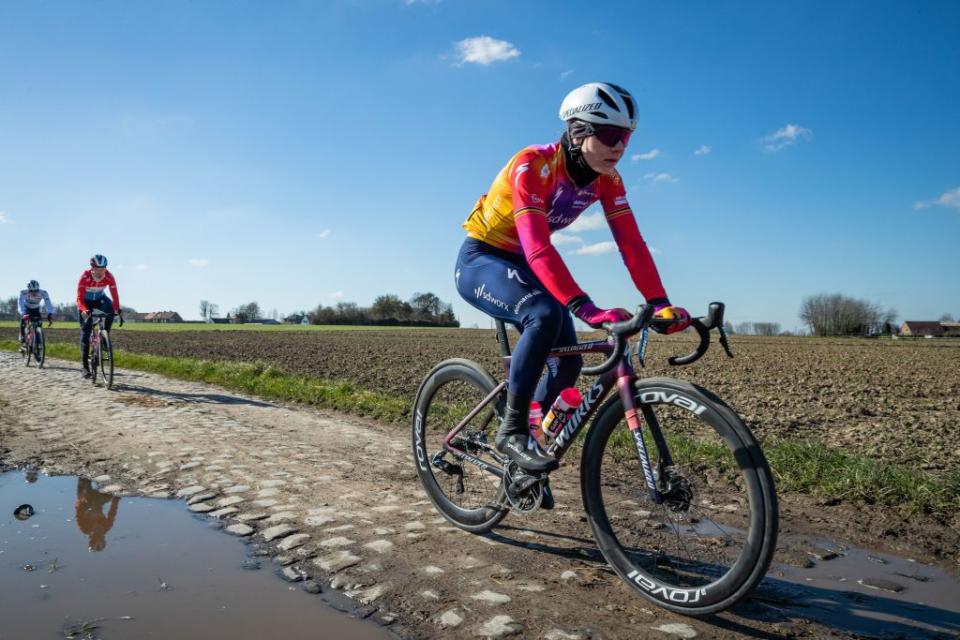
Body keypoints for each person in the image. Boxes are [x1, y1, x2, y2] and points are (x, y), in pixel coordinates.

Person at [455, 82, 691, 474]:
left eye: (626, 137)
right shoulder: (532, 165)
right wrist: (585, 308)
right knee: (544, 315)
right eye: (611, 135)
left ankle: (529, 444)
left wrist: (659, 303)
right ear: (578, 131)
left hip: (527, 264)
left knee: (567, 367)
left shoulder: (608, 180)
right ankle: (511, 431)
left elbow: (631, 244)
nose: (620, 147)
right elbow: (538, 247)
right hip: (485, 257)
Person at [77, 254, 123, 378]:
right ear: (92, 268)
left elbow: (115, 296)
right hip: (85, 303)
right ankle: (85, 367)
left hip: (100, 300)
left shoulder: (109, 276)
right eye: (98, 269)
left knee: (111, 308)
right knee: (85, 333)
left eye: (103, 269)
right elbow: (79, 299)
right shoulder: (85, 277)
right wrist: (84, 310)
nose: (100, 272)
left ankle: (104, 337)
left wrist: (117, 309)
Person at [18, 280, 54, 350]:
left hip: (36, 308)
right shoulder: (23, 292)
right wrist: (23, 314)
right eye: (32, 291)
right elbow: (20, 304)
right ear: (28, 289)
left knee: (39, 324)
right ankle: (23, 340)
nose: (34, 292)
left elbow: (48, 303)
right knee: (23, 321)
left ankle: (37, 342)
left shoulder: (43, 292)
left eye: (36, 291)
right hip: (26, 308)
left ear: (38, 289)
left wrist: (50, 313)